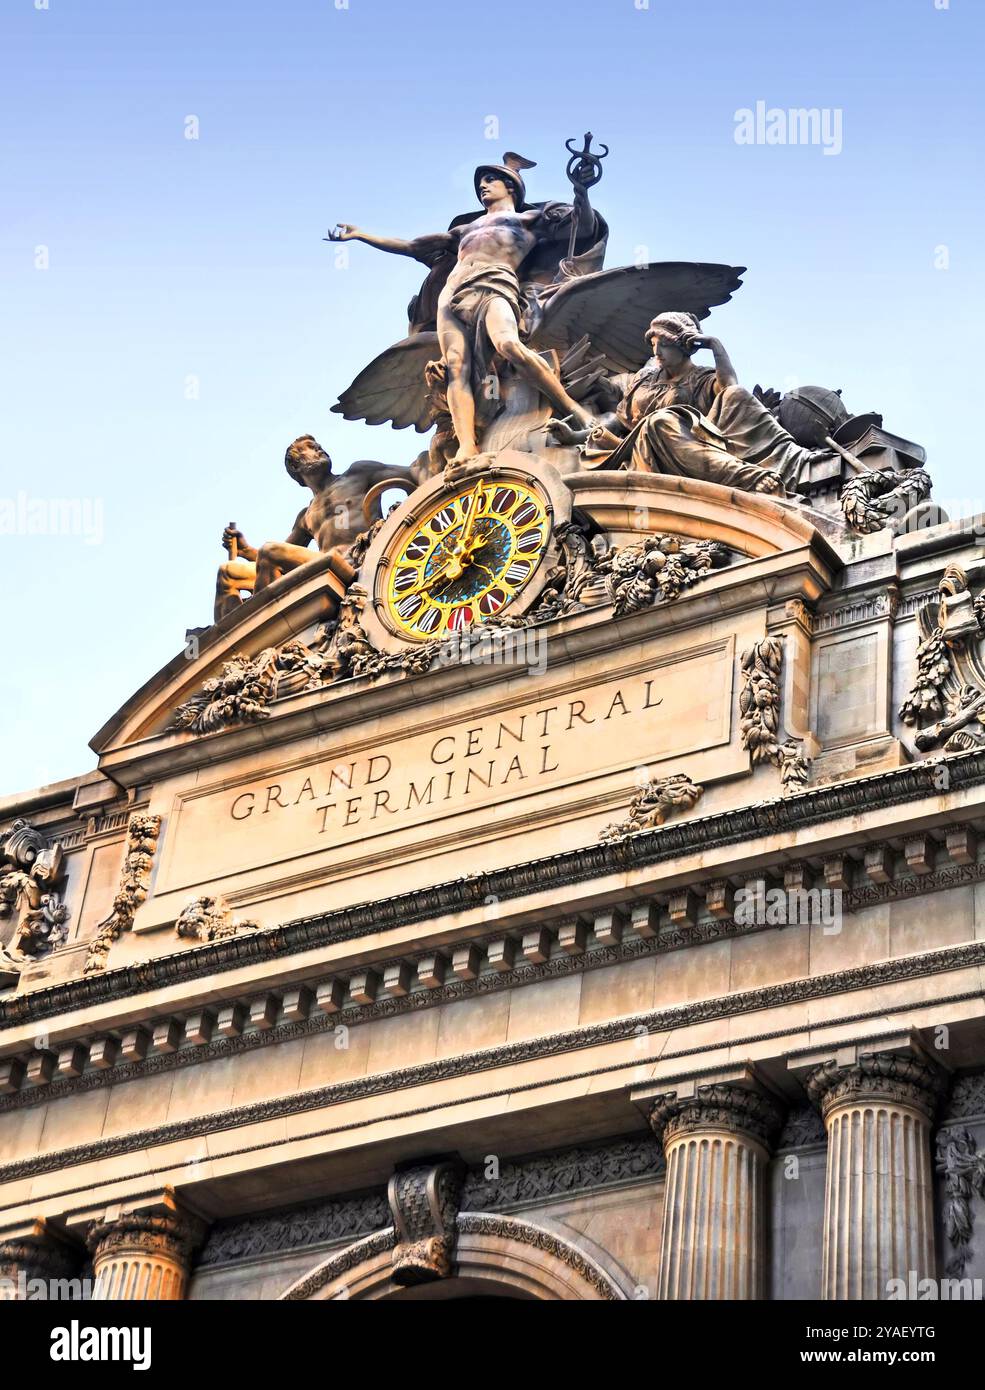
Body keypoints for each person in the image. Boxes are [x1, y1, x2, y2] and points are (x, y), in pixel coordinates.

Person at [328, 155, 604, 461]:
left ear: (510, 187)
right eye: (479, 184)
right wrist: (361, 234)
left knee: (509, 345)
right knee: (455, 367)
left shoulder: (531, 221)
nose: (483, 187)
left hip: (495, 283)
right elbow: (410, 246)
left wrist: (581, 190)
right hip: (453, 292)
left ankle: (574, 410)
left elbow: (583, 226)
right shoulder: (463, 230)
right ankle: (466, 445)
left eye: (489, 181)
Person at [548, 312, 822, 493]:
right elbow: (618, 421)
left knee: (733, 396)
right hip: (637, 451)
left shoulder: (701, 378)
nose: (656, 353)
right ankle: (747, 477)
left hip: (694, 443)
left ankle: (766, 467)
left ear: (683, 345)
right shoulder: (644, 380)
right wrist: (575, 436)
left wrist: (715, 345)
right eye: (653, 345)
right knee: (658, 422)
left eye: (663, 345)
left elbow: (730, 389)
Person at [213, 436, 414, 622]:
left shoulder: (358, 473)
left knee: (270, 551)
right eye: (309, 447)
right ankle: (233, 645)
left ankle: (262, 627)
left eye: (317, 445)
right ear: (295, 465)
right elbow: (273, 560)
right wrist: (246, 550)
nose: (319, 449)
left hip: (359, 561)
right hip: (325, 571)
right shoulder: (306, 514)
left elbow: (412, 474)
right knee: (228, 573)